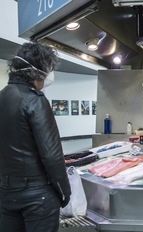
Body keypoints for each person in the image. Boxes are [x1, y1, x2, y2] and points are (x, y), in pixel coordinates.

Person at [0, 42, 71, 232]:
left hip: (7, 194)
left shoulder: (2, 96)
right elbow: (52, 155)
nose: (49, 76)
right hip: (38, 197)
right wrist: (65, 192)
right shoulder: (35, 100)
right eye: (47, 70)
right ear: (34, 72)